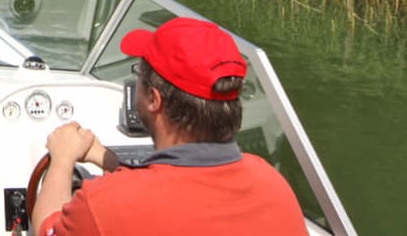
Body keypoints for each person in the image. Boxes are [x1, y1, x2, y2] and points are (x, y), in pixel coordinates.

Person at [32, 17, 308, 235]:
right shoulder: (274, 186)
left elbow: (48, 227)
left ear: (153, 99)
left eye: (139, 75)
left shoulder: (103, 205)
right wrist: (112, 162)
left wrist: (62, 159)